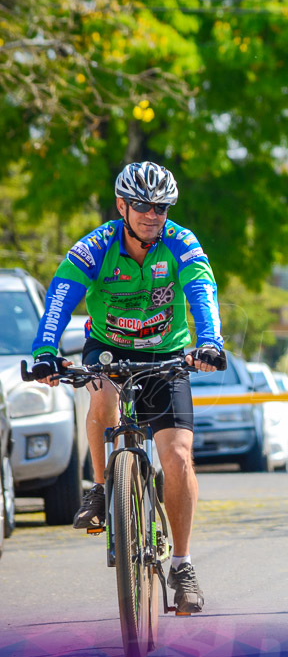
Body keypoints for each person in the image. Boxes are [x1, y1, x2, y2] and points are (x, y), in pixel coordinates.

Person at [29, 161, 225, 614]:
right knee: (102, 395)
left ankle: (182, 564)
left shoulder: (182, 244)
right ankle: (101, 487)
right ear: (122, 205)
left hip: (166, 352)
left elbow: (202, 290)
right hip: (109, 348)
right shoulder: (95, 246)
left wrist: (210, 341)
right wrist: (44, 349)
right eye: (142, 206)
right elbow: (61, 293)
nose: (152, 214)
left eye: (161, 207)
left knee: (177, 456)